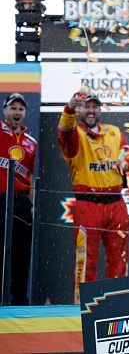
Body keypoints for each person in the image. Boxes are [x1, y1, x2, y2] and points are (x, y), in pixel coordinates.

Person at [58, 91, 129, 304]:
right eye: (86, 106)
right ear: (79, 110)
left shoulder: (113, 131)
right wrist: (68, 111)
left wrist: (126, 163)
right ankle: (83, 308)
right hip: (88, 204)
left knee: (119, 259)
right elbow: (64, 134)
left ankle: (118, 304)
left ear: (100, 110)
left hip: (116, 204)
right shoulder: (76, 134)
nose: (91, 111)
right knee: (87, 262)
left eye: (95, 106)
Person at [0, 93, 37, 305]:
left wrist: (31, 204)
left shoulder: (30, 142)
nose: (17, 112)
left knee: (21, 255)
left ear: (24, 114)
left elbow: (29, 177)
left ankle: (19, 301)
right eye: (12, 108)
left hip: (21, 202)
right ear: (5, 111)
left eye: (20, 109)